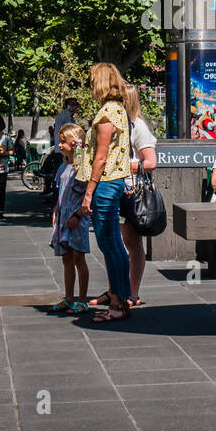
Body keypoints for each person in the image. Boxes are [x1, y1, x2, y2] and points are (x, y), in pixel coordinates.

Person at [80, 62, 132, 323]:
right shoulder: (119, 110)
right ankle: (121, 299)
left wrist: (88, 192)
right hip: (116, 182)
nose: (89, 86)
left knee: (108, 243)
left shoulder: (106, 114)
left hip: (105, 184)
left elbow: (100, 159)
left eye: (91, 81)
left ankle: (117, 303)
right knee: (115, 245)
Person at [118, 84, 158, 307]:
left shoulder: (138, 126)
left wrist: (123, 166)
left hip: (132, 191)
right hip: (118, 189)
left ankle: (133, 292)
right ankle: (118, 289)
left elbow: (151, 162)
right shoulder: (119, 124)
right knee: (117, 241)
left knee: (132, 243)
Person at [49, 123, 90, 314]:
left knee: (78, 258)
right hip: (64, 218)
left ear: (73, 144)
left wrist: (76, 215)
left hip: (76, 219)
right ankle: (68, 297)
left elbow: (85, 196)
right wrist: (56, 211)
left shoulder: (82, 168)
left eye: (62, 142)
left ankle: (82, 300)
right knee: (66, 259)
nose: (60, 145)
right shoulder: (65, 167)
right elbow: (61, 193)